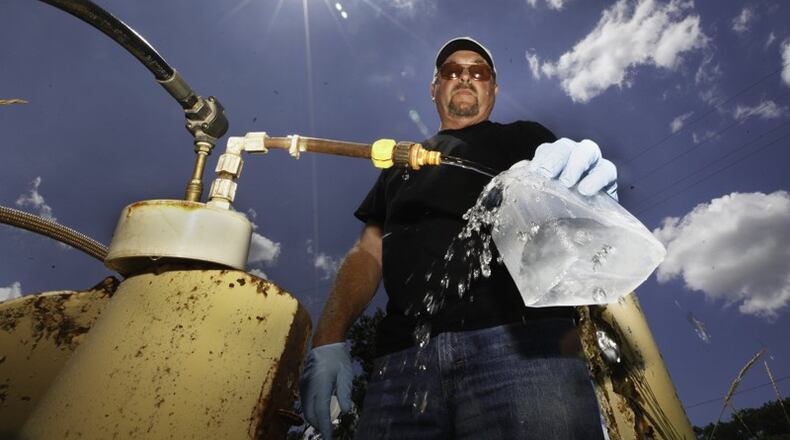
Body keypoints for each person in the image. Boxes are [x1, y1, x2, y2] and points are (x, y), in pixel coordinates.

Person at [300, 37, 617, 439]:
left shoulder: (524, 138)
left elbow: (568, 210)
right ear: (435, 88)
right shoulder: (400, 165)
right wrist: (327, 339)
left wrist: (587, 195)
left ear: (493, 89)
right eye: (451, 71)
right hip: (402, 364)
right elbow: (368, 251)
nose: (465, 76)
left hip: (524, 345)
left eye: (479, 71)